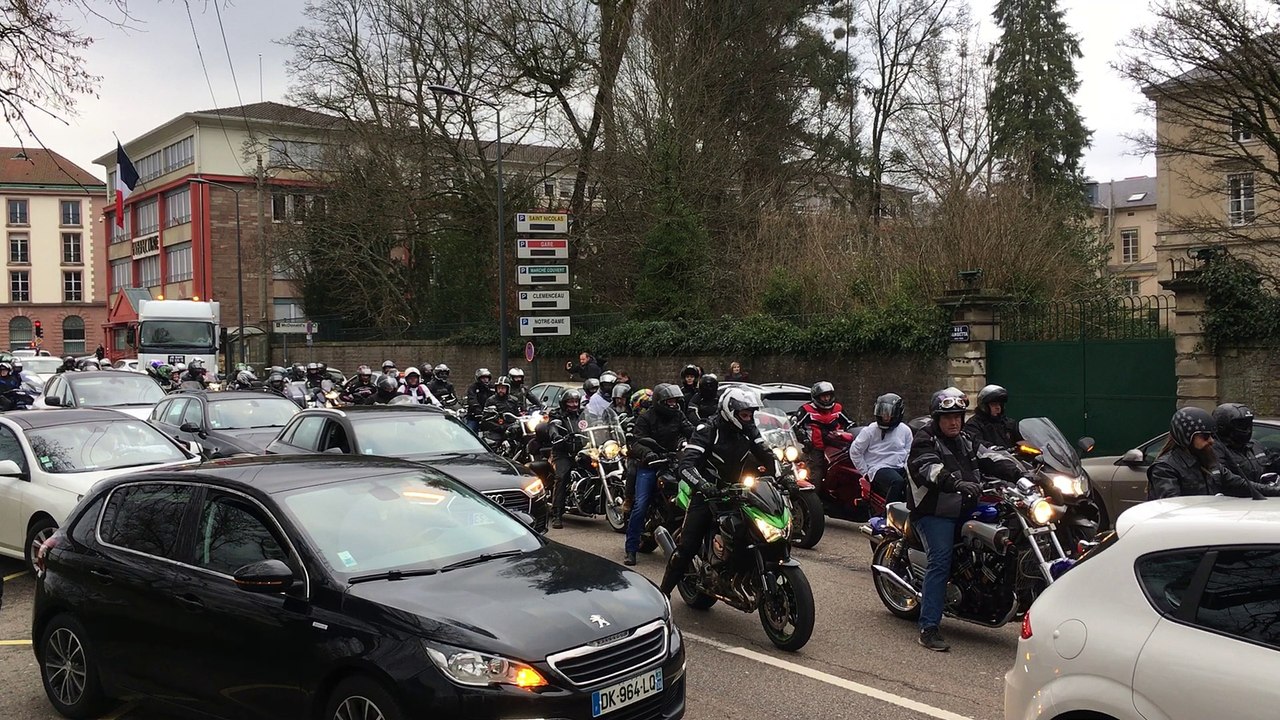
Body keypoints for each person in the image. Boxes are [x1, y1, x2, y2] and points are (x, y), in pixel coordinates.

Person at [907, 387, 1022, 652]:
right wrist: (956, 482)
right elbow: (929, 468)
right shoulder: (925, 439)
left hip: (966, 507)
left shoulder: (966, 439)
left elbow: (990, 455)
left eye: (958, 416)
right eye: (947, 417)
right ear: (937, 418)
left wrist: (1022, 474)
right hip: (935, 512)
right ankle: (928, 627)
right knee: (941, 560)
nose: (954, 421)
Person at [659, 387, 779, 595]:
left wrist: (784, 476)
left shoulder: (748, 429)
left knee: (763, 532)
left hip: (740, 492)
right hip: (708, 494)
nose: (748, 418)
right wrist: (703, 485)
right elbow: (686, 466)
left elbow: (766, 453)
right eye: (744, 414)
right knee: (687, 547)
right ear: (730, 411)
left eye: (751, 414)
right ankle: (663, 594)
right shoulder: (708, 429)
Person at [624, 383, 693, 566]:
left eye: (675, 401)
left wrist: (703, 440)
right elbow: (637, 442)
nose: (673, 404)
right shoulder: (645, 418)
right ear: (660, 401)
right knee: (640, 504)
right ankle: (631, 550)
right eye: (669, 401)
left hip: (672, 460)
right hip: (649, 464)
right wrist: (647, 453)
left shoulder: (678, 415)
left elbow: (691, 432)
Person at [1148, 406, 1280, 499]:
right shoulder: (1165, 468)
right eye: (1205, 436)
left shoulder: (1210, 463)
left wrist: (1276, 491)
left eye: (1212, 435)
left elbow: (1242, 484)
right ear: (1186, 436)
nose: (1211, 441)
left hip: (1208, 526)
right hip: (1183, 533)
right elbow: (1172, 506)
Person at [537, 388, 587, 529]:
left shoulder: (583, 413)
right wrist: (556, 436)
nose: (573, 404)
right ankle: (557, 514)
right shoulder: (557, 414)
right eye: (570, 401)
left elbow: (593, 423)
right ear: (564, 403)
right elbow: (553, 426)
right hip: (562, 452)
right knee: (562, 476)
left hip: (581, 450)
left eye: (576, 401)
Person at [850, 393, 912, 504]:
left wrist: (908, 469)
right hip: (879, 467)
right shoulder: (870, 430)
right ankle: (887, 516)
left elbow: (909, 452)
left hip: (900, 466)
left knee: (914, 483)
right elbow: (855, 451)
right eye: (883, 413)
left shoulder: (905, 430)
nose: (885, 417)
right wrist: (865, 472)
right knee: (897, 482)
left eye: (889, 413)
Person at [793, 381, 854, 489]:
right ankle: (815, 500)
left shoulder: (838, 408)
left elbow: (851, 424)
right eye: (823, 397)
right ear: (816, 397)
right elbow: (795, 426)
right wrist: (805, 440)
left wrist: (852, 435)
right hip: (816, 448)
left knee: (845, 469)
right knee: (816, 473)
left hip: (837, 447)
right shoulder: (806, 410)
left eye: (828, 396)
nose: (826, 399)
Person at [1212, 403, 1280, 483]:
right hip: (1240, 495)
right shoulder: (1216, 450)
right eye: (1242, 425)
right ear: (1223, 426)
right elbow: (1230, 482)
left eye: (1248, 424)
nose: (1247, 430)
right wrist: (1268, 490)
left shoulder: (1255, 446)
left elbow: (1273, 462)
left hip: (1267, 494)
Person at [965, 384, 1021, 450]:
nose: (998, 407)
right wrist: (993, 448)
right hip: (988, 458)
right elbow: (977, 443)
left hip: (1012, 459)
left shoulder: (1009, 423)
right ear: (984, 406)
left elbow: (1020, 441)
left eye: (1000, 404)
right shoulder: (973, 425)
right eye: (993, 404)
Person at [482, 377, 525, 447]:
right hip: (497, 429)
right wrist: (501, 427)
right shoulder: (491, 401)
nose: (500, 390)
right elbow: (486, 420)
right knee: (494, 444)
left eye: (503, 388)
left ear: (507, 389)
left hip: (511, 428)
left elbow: (518, 415)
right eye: (499, 388)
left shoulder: (513, 400)